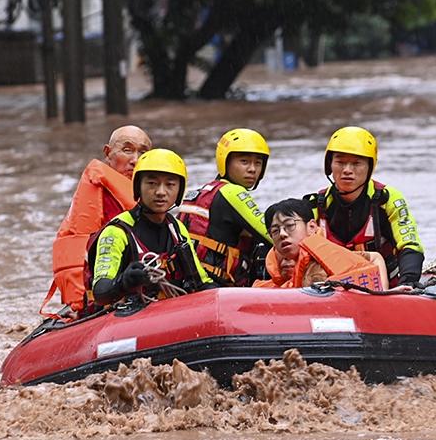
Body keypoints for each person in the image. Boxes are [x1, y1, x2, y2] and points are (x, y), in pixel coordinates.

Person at [42, 125, 153, 317]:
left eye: (143, 152)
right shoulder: (98, 194)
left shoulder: (153, 195)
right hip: (103, 292)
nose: (135, 160)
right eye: (127, 150)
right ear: (108, 153)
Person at [88, 148, 215, 305]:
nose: (161, 192)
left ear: (179, 190)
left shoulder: (177, 228)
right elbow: (101, 292)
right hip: (128, 318)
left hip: (172, 312)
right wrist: (124, 282)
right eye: (152, 183)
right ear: (138, 187)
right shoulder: (116, 232)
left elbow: (201, 281)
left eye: (170, 184)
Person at [304, 126, 425, 288]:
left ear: (369, 167)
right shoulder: (314, 205)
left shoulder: (387, 199)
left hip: (385, 286)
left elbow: (410, 244)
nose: (347, 170)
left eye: (356, 163)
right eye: (340, 162)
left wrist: (409, 281)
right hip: (329, 289)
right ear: (329, 165)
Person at [178, 128, 273, 286]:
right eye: (244, 162)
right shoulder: (232, 192)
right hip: (218, 288)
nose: (252, 169)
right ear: (225, 162)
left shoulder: (202, 192)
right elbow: (272, 235)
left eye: (258, 163)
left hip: (189, 283)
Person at [253, 198, 387, 290]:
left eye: (289, 225)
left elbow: (375, 257)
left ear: (311, 227)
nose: (282, 233)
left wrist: (382, 293)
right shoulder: (274, 270)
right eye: (275, 230)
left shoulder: (327, 259)